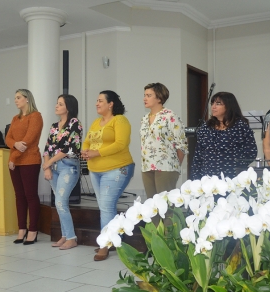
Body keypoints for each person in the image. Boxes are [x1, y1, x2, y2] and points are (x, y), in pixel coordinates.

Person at [82, 90, 134, 261]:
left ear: (111, 104)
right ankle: (111, 240)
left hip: (117, 168)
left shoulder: (120, 120)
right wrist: (85, 150)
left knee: (105, 207)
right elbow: (88, 140)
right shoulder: (96, 122)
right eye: (96, 101)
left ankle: (105, 244)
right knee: (105, 207)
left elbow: (121, 144)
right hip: (96, 170)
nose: (97, 103)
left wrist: (96, 153)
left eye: (100, 101)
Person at [43, 94, 82, 250]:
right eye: (57, 103)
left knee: (60, 202)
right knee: (60, 203)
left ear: (68, 107)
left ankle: (71, 238)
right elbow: (47, 149)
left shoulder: (75, 123)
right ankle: (65, 236)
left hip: (68, 166)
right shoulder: (54, 125)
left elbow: (69, 149)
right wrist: (47, 166)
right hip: (54, 167)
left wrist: (48, 164)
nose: (56, 106)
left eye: (60, 104)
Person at [5, 89, 43, 245]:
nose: (16, 100)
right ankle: (22, 229)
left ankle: (33, 230)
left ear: (27, 99)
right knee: (19, 196)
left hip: (30, 161)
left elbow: (28, 140)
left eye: (18, 98)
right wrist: (14, 144)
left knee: (30, 195)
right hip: (15, 162)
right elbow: (8, 138)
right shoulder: (15, 118)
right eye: (15, 98)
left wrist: (13, 156)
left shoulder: (36, 116)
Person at [190, 92, 257, 180]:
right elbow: (198, 155)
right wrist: (195, 177)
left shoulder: (240, 126)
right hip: (207, 178)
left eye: (218, 104)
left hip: (232, 178)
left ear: (229, 106)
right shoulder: (206, 127)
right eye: (212, 103)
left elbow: (251, 152)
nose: (213, 107)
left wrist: (235, 165)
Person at [140, 83, 188, 199]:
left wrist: (174, 166)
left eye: (149, 95)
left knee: (166, 207)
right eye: (144, 95)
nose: (144, 98)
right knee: (152, 206)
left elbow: (182, 145)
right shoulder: (145, 118)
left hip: (166, 167)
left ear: (159, 98)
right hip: (147, 166)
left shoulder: (170, 116)